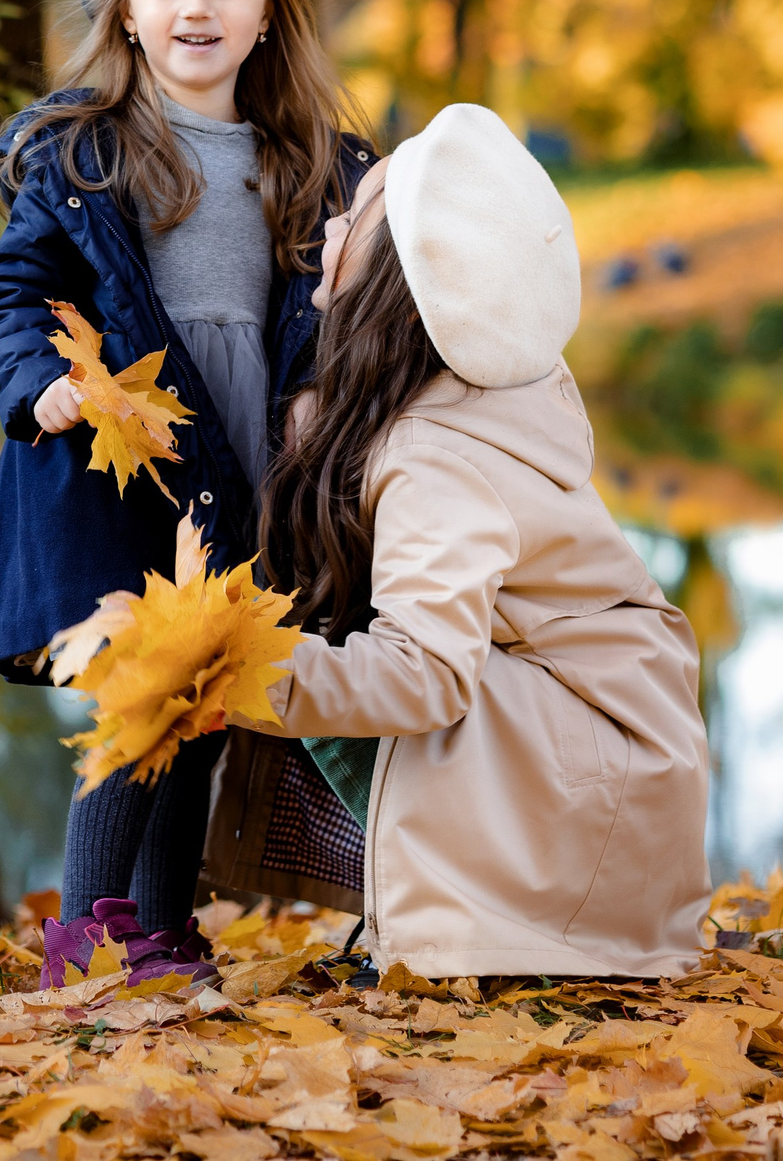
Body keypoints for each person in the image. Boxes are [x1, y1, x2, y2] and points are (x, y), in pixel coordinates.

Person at [0, 0, 376, 987]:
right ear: (129, 13)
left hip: (240, 462)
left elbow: (345, 312)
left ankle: (160, 921)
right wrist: (37, 381)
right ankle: (94, 935)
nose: (195, 6)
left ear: (268, 15)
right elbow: (13, 293)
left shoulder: (315, 163)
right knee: (140, 689)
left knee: (199, 694)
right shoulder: (85, 153)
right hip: (112, 465)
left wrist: (319, 406)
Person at [233, 102, 711, 979]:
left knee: (346, 663)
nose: (334, 219)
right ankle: (453, 900)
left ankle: (470, 923)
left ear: (399, 274)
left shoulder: (431, 455)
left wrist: (244, 675)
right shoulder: (476, 394)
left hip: (593, 778)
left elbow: (425, 673)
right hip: (624, 757)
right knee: (337, 650)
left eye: (361, 210)